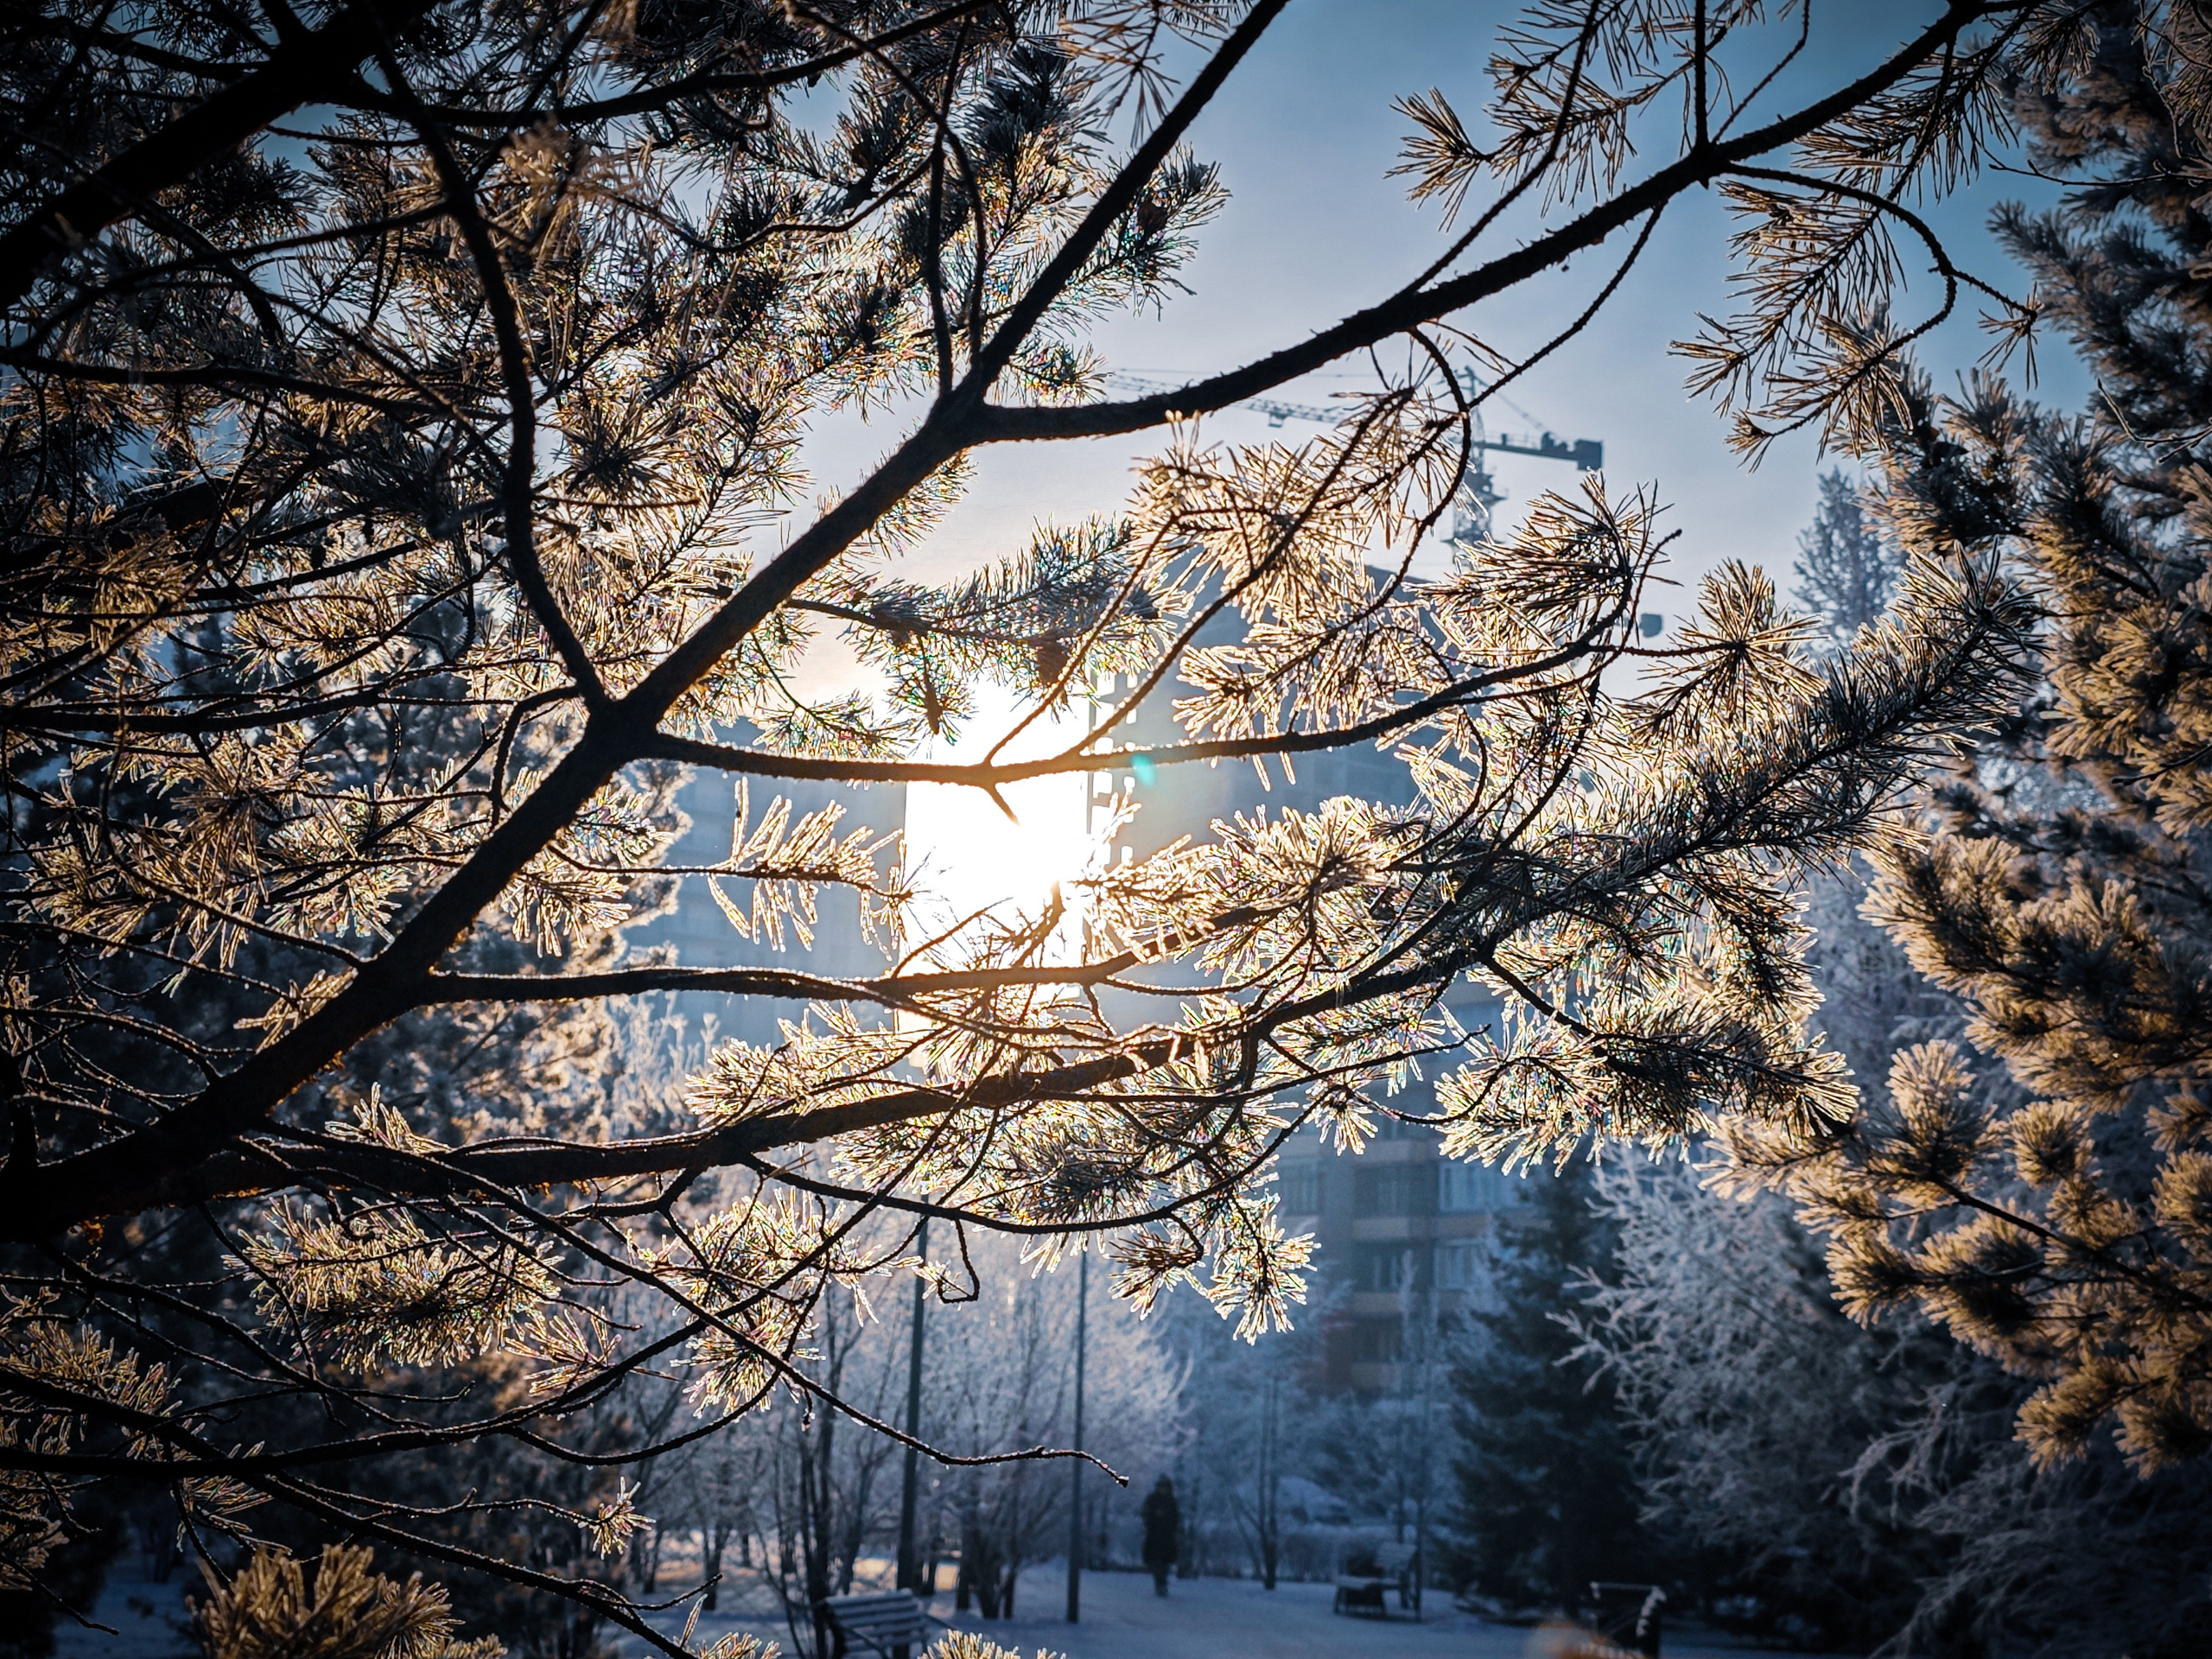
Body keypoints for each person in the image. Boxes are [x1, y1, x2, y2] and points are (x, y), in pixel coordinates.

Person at [1140, 1475, 1180, 1597]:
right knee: (1155, 1561)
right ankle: (1159, 1583)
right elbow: (1145, 1514)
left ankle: (1162, 1583)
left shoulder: (1171, 1501)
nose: (1163, 1489)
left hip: (1167, 1537)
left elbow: (1176, 1517)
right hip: (1154, 1536)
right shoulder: (1152, 1500)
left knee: (1165, 1562)